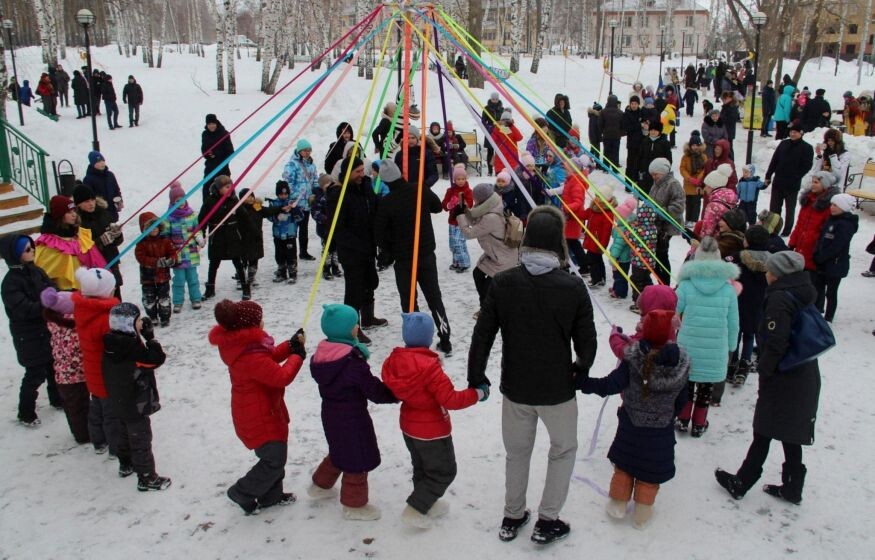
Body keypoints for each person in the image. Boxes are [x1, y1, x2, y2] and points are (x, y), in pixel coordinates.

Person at [468, 205, 597, 545]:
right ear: (559, 241)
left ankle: (513, 514)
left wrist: (476, 375)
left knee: (517, 452)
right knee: (563, 449)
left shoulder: (503, 282)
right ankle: (547, 519)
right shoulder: (572, 287)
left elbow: (483, 334)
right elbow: (587, 341)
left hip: (517, 387)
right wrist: (581, 369)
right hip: (557, 389)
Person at [715, 251, 820, 506]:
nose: (766, 273)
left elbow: (776, 342)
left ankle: (742, 482)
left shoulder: (780, 299)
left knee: (764, 428)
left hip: (784, 375)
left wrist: (765, 369)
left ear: (778, 274)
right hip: (803, 371)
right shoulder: (801, 291)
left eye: (769, 270)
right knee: (789, 429)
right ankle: (793, 487)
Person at [578, 297, 689, 529]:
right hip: (661, 430)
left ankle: (617, 505)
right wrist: (669, 415)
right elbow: (683, 399)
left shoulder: (633, 360)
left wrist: (582, 382)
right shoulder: (680, 366)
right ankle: (642, 513)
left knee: (625, 467)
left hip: (630, 425)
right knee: (650, 475)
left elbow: (609, 385)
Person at [381, 312, 483, 528]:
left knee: (422, 468)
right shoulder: (430, 368)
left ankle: (427, 502)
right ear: (428, 338)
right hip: (432, 431)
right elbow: (451, 399)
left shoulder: (395, 361)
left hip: (409, 426)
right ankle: (416, 508)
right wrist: (477, 393)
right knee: (444, 471)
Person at [210, 299, 305, 513]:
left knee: (274, 457)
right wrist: (297, 357)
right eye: (260, 320)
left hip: (259, 410)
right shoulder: (249, 355)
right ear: (251, 326)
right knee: (274, 460)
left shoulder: (245, 347)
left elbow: (268, 358)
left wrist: (289, 346)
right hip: (260, 416)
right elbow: (281, 377)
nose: (263, 322)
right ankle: (241, 492)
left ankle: (271, 496)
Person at [308, 303, 398, 521]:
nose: (358, 327)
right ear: (345, 330)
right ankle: (354, 505)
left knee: (339, 449)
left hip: (330, 413)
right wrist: (395, 393)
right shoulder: (351, 362)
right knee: (357, 457)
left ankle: (320, 484)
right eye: (354, 324)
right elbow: (372, 389)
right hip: (352, 417)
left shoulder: (323, 356)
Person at [374, 161, 452, 354]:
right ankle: (445, 338)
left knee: (409, 301)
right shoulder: (419, 189)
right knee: (434, 297)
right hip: (425, 255)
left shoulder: (387, 202)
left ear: (384, 181)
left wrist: (390, 250)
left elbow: (379, 235)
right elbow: (437, 207)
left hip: (404, 260)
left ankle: (415, 341)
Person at [674, 236, 739, 438]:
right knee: (706, 386)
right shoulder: (728, 290)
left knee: (686, 383)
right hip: (715, 347)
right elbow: (733, 322)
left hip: (688, 345)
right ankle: (699, 423)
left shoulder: (686, 286)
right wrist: (731, 345)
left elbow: (673, 313)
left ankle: (683, 418)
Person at [103, 302, 171, 491]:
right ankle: (147, 478)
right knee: (141, 440)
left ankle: (125, 464)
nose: (141, 322)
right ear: (129, 325)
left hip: (117, 399)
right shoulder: (132, 349)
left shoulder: (110, 344)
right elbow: (156, 359)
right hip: (136, 403)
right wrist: (150, 338)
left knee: (123, 434)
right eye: (138, 320)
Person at [0, 234, 61, 427]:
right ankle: (26, 412)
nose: (33, 250)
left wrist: (54, 294)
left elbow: (50, 285)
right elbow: (23, 308)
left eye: (32, 247)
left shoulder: (36, 270)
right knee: (35, 373)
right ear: (15, 255)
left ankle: (57, 398)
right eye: (27, 249)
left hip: (46, 328)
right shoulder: (10, 283)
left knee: (53, 366)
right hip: (28, 336)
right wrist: (46, 304)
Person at [328, 157, 387, 345]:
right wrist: (358, 245)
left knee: (370, 282)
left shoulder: (365, 186)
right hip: (352, 251)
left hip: (368, 247)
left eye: (363, 170)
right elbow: (337, 228)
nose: (362, 174)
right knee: (354, 290)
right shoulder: (338, 194)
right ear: (347, 173)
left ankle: (368, 318)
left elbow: (376, 205)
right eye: (358, 172)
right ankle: (353, 327)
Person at [71, 267, 121, 455]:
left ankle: (98, 441)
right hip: (106, 373)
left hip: (92, 371)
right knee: (111, 413)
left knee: (97, 407)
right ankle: (116, 447)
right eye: (112, 288)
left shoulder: (83, 309)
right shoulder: (106, 319)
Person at [457, 183, 520, 308]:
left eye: (475, 198)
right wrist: (465, 211)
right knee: (477, 274)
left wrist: (460, 216)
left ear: (481, 199)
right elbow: (476, 221)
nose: (474, 200)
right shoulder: (491, 206)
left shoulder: (491, 217)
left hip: (503, 259)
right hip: (496, 254)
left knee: (488, 289)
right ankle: (485, 307)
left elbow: (469, 233)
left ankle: (488, 310)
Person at [40, 287, 89, 442]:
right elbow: (78, 354)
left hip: (62, 375)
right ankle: (83, 435)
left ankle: (77, 431)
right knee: (80, 407)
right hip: (76, 376)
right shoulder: (73, 328)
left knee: (71, 407)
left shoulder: (55, 325)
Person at [34, 196, 106, 290]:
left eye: (74, 211)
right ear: (59, 215)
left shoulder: (78, 234)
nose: (74, 215)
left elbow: (93, 258)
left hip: (87, 289)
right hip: (64, 293)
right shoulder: (49, 243)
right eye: (69, 212)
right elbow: (45, 274)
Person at [730, 225, 770, 385]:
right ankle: (744, 364)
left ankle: (731, 363)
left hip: (739, 302)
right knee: (749, 334)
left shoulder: (738, 257)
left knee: (735, 333)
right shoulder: (771, 260)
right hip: (758, 304)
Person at [198, 175, 248, 300]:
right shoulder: (210, 201)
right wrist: (201, 234)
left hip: (232, 236)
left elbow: (244, 216)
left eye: (230, 186)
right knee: (214, 263)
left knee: (238, 262)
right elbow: (202, 219)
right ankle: (210, 289)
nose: (229, 189)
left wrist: (250, 232)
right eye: (226, 187)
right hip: (217, 237)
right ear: (218, 188)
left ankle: (245, 288)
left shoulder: (234, 200)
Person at [812, 193, 858, 322]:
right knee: (819, 288)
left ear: (844, 207)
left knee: (831, 292)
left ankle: (829, 317)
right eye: (831, 204)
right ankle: (817, 312)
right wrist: (817, 253)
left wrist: (822, 256)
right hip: (823, 262)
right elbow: (822, 238)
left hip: (836, 264)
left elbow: (837, 245)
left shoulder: (845, 224)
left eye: (835, 205)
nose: (831, 207)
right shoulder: (831, 220)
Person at [74, 182, 124, 295]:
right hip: (94, 268)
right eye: (86, 201)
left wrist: (117, 235)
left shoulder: (104, 214)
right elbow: (81, 248)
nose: (91, 203)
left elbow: (118, 241)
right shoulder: (78, 222)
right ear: (78, 204)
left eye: (92, 200)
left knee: (116, 296)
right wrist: (101, 241)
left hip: (111, 261)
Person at [788, 171, 840, 272]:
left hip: (813, 250)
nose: (812, 184)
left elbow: (825, 231)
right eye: (812, 181)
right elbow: (799, 224)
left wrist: (817, 249)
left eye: (816, 182)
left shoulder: (829, 206)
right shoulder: (807, 200)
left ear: (825, 185)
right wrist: (792, 242)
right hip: (800, 248)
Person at [166, 182, 204, 312]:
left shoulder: (192, 215)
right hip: (178, 255)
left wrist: (199, 238)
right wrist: (170, 248)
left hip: (191, 253)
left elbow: (196, 230)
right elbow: (166, 236)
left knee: (193, 278)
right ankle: (178, 302)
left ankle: (196, 299)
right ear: (172, 202)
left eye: (183, 199)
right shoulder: (169, 218)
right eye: (177, 201)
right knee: (179, 280)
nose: (181, 202)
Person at [647, 158, 685, 284]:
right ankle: (661, 282)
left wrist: (660, 212)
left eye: (656, 174)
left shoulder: (673, 184)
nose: (653, 177)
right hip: (656, 225)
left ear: (663, 172)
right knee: (656, 254)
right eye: (652, 175)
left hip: (667, 227)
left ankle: (664, 284)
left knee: (661, 255)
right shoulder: (656, 184)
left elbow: (679, 206)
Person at [134, 213, 176, 327]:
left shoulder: (165, 240)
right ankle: (152, 317)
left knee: (164, 298)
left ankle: (165, 317)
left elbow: (172, 253)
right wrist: (155, 262)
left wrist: (171, 260)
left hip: (163, 276)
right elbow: (140, 257)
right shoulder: (141, 243)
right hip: (148, 276)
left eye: (156, 226)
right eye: (151, 227)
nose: (154, 229)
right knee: (149, 299)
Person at [283, 139, 319, 260]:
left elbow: (315, 180)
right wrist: (294, 197)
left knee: (304, 228)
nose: (307, 152)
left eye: (309, 150)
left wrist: (316, 193)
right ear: (299, 151)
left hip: (307, 202)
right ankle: (290, 253)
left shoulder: (312, 165)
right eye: (305, 150)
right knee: (292, 229)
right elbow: (288, 182)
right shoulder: (292, 165)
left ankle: (303, 252)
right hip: (295, 203)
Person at [582, 186, 617, 287]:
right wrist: (572, 211)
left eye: (598, 196)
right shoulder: (593, 208)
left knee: (593, 260)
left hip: (597, 242)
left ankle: (596, 279)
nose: (596, 198)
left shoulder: (607, 213)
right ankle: (601, 278)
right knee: (597, 260)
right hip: (591, 240)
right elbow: (583, 215)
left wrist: (602, 245)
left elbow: (606, 232)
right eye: (596, 195)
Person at [266, 180, 298, 283]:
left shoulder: (292, 203)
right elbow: (269, 216)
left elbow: (300, 217)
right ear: (277, 194)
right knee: (279, 254)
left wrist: (293, 210)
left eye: (285, 194)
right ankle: (282, 273)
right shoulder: (274, 203)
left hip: (290, 234)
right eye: (281, 194)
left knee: (291, 255)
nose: (283, 196)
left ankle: (292, 274)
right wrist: (277, 216)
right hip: (278, 235)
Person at [443, 165, 474, 273]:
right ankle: (456, 262)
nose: (461, 181)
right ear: (454, 180)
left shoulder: (468, 191)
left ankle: (464, 263)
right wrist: (449, 204)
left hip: (463, 221)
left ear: (466, 179)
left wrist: (462, 202)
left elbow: (470, 204)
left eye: (463, 179)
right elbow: (444, 205)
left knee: (458, 242)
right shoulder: (450, 191)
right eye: (458, 179)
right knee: (453, 243)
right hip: (452, 221)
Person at [695, 163, 738, 240]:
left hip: (714, 243)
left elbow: (706, 231)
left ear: (713, 186)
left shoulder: (713, 206)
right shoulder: (730, 199)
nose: (704, 189)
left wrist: (696, 242)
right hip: (726, 240)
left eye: (707, 186)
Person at [608, 197, 637, 299]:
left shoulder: (622, 230)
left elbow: (618, 245)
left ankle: (620, 292)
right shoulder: (624, 227)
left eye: (616, 216)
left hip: (621, 258)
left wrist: (613, 256)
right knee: (618, 274)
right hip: (624, 257)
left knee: (619, 275)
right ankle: (616, 288)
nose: (615, 218)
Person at [83, 151, 124, 222]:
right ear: (93, 164)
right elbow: (88, 198)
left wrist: (120, 201)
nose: (102, 163)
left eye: (103, 161)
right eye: (98, 162)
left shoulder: (110, 175)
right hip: (99, 215)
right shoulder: (88, 179)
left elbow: (116, 190)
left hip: (112, 211)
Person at [679, 131, 708, 225]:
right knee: (688, 202)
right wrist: (689, 178)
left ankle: (694, 220)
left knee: (696, 202)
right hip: (688, 183)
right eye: (693, 145)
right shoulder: (685, 157)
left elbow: (705, 169)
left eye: (697, 145)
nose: (695, 147)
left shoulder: (703, 156)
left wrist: (699, 179)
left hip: (698, 184)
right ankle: (688, 218)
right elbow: (682, 168)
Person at [635, 121, 672, 194]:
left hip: (658, 174)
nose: (653, 132)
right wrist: (636, 173)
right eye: (651, 130)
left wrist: (665, 171)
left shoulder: (665, 143)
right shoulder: (644, 141)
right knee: (644, 193)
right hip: (645, 173)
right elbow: (639, 157)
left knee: (656, 194)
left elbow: (669, 159)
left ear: (659, 131)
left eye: (655, 130)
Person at [201, 114, 235, 188]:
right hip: (210, 166)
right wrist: (208, 154)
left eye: (213, 123)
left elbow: (230, 151)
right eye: (209, 124)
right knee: (207, 188)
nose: (211, 126)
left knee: (225, 190)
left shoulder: (224, 133)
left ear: (216, 123)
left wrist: (217, 154)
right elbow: (204, 149)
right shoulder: (205, 134)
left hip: (222, 166)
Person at [490, 111, 523, 175]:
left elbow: (520, 138)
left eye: (507, 120)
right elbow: (492, 139)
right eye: (504, 120)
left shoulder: (512, 128)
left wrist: (512, 126)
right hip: (501, 161)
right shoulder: (498, 128)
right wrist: (498, 127)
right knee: (502, 180)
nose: (505, 122)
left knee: (510, 180)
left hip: (511, 161)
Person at [599, 95, 625, 169]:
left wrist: (603, 131)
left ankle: (605, 167)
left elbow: (600, 124)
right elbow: (623, 125)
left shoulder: (603, 112)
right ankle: (615, 168)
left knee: (606, 152)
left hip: (606, 136)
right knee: (615, 153)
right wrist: (620, 133)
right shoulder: (620, 112)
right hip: (616, 136)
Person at [481, 93, 505, 175]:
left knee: (499, 152)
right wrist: (489, 127)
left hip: (500, 132)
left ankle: (498, 170)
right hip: (490, 132)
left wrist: (501, 124)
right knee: (490, 151)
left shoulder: (502, 109)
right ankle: (490, 170)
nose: (495, 101)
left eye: (496, 99)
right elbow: (483, 121)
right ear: (491, 99)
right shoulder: (486, 108)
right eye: (493, 99)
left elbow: (504, 120)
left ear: (498, 99)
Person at [623, 96, 644, 182]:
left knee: (639, 165)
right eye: (632, 103)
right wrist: (639, 125)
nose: (634, 105)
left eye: (635, 103)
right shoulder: (627, 114)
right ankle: (628, 184)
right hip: (631, 144)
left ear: (638, 104)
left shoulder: (642, 113)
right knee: (630, 165)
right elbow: (627, 128)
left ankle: (637, 183)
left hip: (641, 143)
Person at [719, 91, 739, 160]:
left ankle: (731, 162)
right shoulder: (726, 106)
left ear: (730, 98)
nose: (724, 100)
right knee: (726, 148)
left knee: (728, 149)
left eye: (725, 99)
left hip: (728, 131)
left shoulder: (732, 107)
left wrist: (722, 119)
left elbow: (732, 119)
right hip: (725, 131)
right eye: (723, 99)